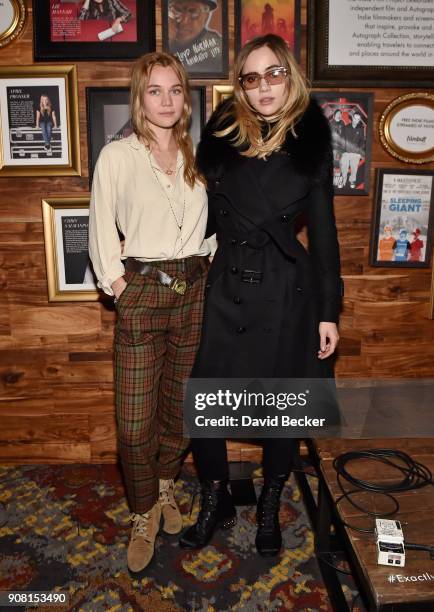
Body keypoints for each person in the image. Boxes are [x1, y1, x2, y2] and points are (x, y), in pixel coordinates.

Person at [179, 34, 342, 557]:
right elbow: (193, 210)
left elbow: (324, 238)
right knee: (206, 401)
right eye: (251, 77)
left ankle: (270, 502)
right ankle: (214, 498)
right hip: (228, 284)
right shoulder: (222, 136)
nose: (264, 86)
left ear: (289, 77)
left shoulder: (311, 142)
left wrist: (327, 311)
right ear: (240, 87)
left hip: (285, 289)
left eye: (274, 73)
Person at [88, 52, 213, 576]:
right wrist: (121, 287)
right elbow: (99, 231)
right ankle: (142, 513)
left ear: (186, 98)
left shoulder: (199, 154)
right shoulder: (117, 157)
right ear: (139, 98)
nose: (165, 100)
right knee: (134, 422)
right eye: (154, 91)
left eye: (175, 90)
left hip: (195, 292)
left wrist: (211, 257)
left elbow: (216, 220)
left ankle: (164, 489)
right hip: (142, 291)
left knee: (177, 409)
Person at [168, 0, 222, 73]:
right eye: (177, 10)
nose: (184, 21)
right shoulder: (163, 41)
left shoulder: (219, 50)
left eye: (193, 12)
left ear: (206, 16)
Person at [340, 111, 365, 189]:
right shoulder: (346, 127)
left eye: (358, 119)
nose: (356, 120)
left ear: (359, 120)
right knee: (344, 167)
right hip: (346, 152)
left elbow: (362, 141)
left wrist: (359, 152)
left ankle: (352, 181)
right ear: (352, 118)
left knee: (354, 168)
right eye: (355, 118)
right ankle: (343, 180)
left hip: (356, 153)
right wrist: (343, 151)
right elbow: (342, 139)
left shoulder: (361, 129)